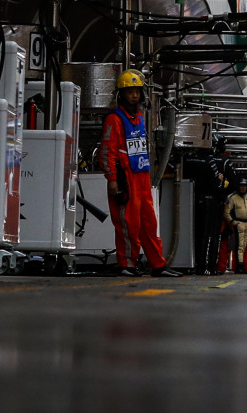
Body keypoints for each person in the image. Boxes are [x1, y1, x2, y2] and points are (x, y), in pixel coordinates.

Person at [98, 70, 180, 277]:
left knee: (149, 224)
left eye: (137, 91)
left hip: (142, 176)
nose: (134, 95)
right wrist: (112, 179)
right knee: (128, 224)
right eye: (130, 92)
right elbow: (107, 150)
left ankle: (158, 265)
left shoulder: (139, 118)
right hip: (125, 178)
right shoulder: (114, 119)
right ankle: (126, 264)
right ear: (121, 95)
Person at [226, 182, 247, 273]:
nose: (243, 188)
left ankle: (243, 265)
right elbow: (226, 212)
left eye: (244, 186)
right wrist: (233, 222)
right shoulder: (233, 198)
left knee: (245, 245)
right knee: (240, 246)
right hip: (239, 223)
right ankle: (239, 266)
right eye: (241, 186)